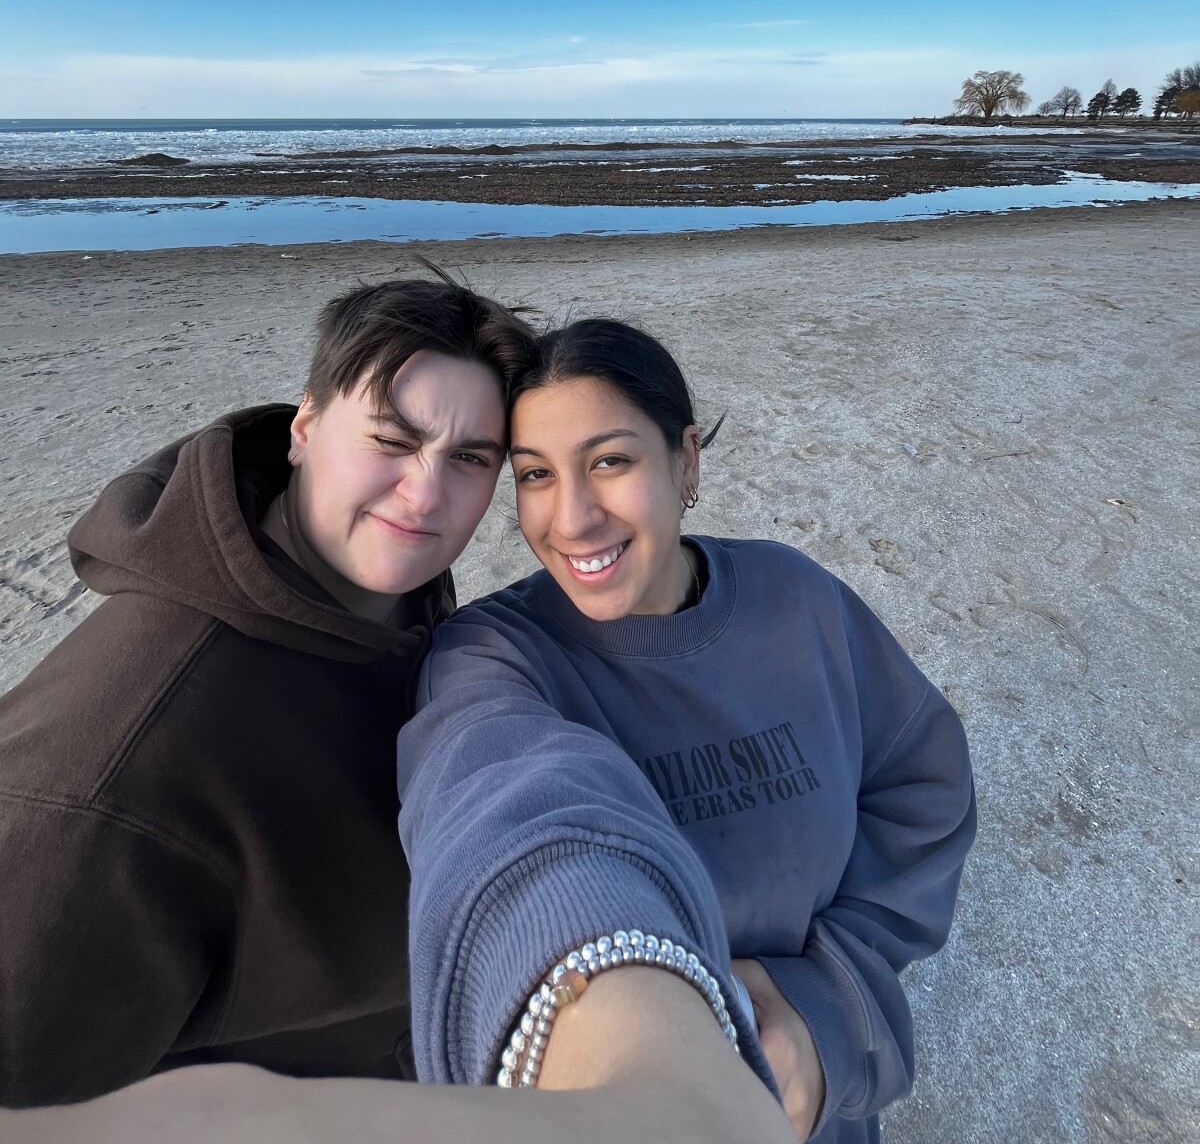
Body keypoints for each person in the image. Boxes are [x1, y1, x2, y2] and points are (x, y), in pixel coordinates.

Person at [396, 318, 977, 1142]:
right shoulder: (493, 655)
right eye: (535, 475)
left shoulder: (800, 601)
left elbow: (921, 790)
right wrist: (610, 1035)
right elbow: (498, 806)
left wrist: (828, 1001)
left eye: (610, 461)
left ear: (687, 460)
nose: (572, 518)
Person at [0, 269, 536, 1106]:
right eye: (391, 441)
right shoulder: (111, 782)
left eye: (470, 459)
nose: (427, 493)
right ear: (304, 429)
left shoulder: (385, 592)